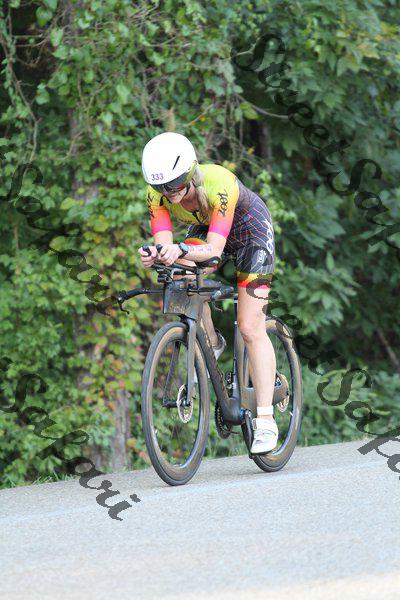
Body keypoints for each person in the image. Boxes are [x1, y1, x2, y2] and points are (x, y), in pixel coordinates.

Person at [139, 132, 277, 454]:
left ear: (190, 173)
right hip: (207, 229)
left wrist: (179, 249)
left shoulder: (219, 183)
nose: (169, 193)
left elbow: (214, 250)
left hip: (250, 232)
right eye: (162, 188)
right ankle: (211, 343)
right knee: (180, 274)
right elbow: (166, 247)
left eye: (175, 184)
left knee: (250, 326)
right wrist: (156, 254)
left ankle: (267, 420)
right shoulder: (156, 194)